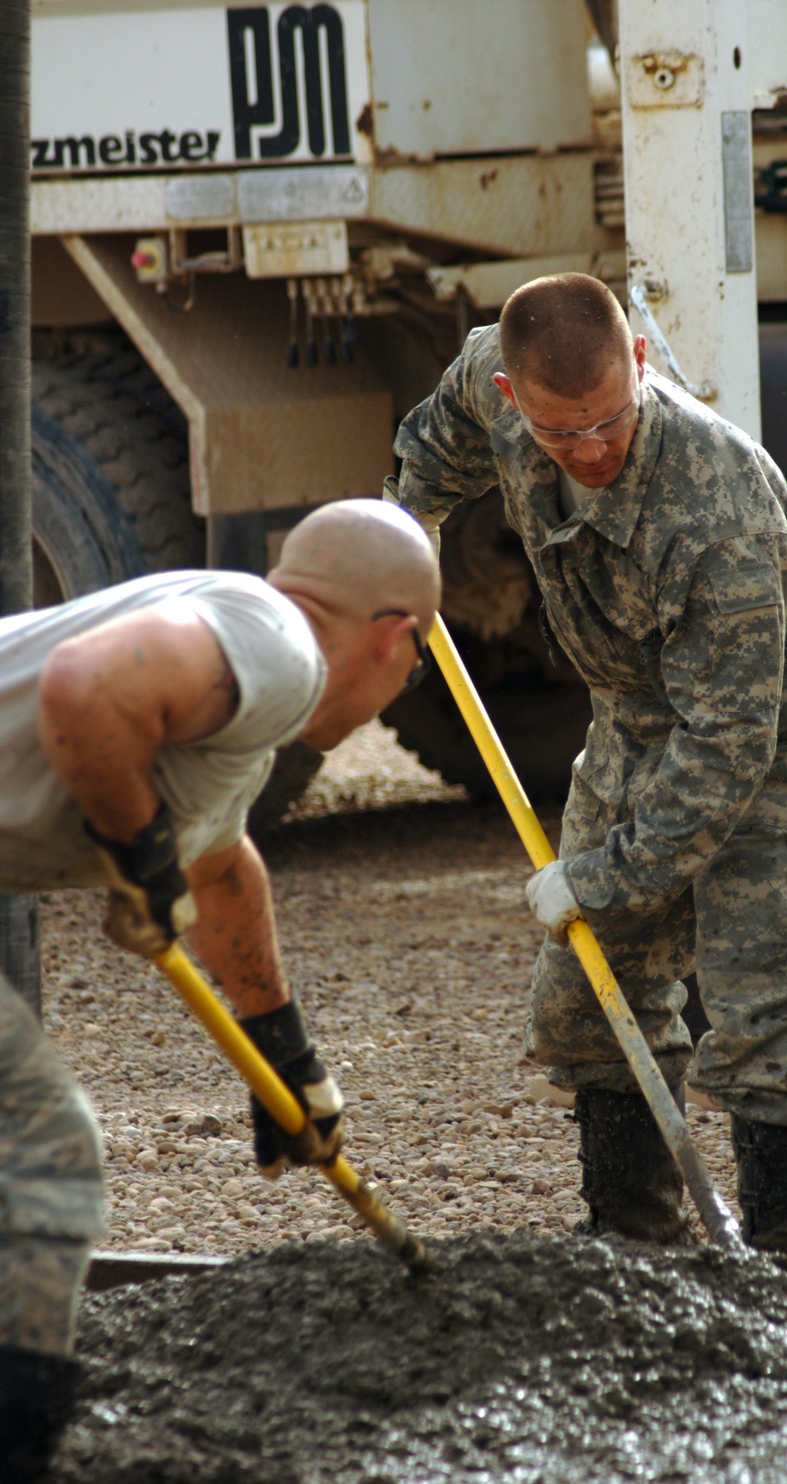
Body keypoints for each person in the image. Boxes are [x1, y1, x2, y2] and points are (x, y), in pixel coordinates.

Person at [390, 273, 787, 1256]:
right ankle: (635, 1252)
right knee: (586, 995)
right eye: (561, 433)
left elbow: (728, 746)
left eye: (610, 421)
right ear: (512, 400)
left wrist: (602, 877)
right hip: (639, 710)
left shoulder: (717, 506)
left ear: (642, 366)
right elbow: (429, 450)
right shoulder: (492, 379)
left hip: (782, 724)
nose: (591, 450)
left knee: (772, 1003)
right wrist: (402, 541)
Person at [0, 498, 440, 1481]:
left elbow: (219, 861)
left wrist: (282, 1051)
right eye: (412, 670)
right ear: (392, 637)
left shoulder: (242, 669)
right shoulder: (280, 645)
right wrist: (135, 849)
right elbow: (83, 689)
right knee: (42, 1160)